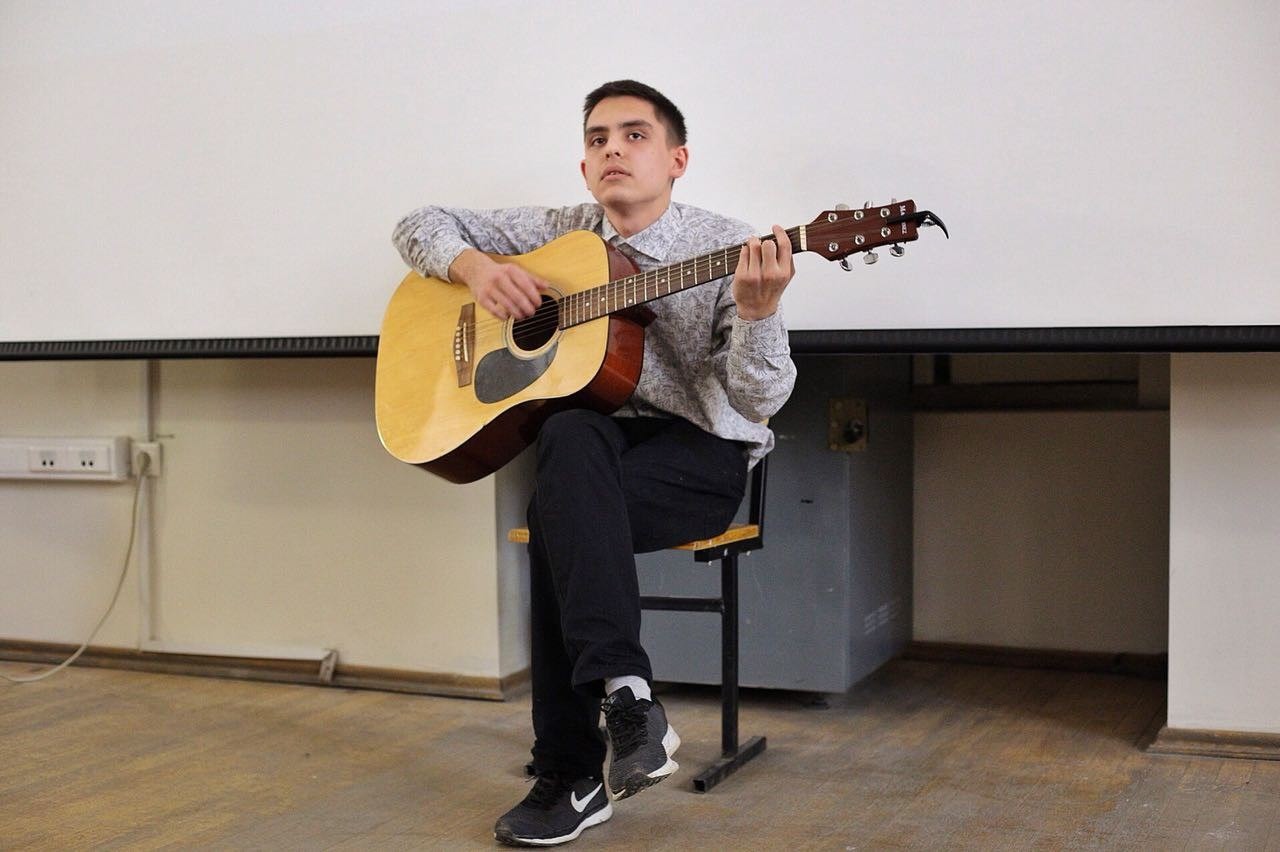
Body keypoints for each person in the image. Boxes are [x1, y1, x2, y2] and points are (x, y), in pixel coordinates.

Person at [393, 79, 797, 846]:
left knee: (559, 514)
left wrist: (759, 313)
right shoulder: (563, 233)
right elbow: (418, 224)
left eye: (635, 135)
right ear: (584, 168)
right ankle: (630, 696)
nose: (613, 149)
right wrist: (476, 270)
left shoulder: (728, 247)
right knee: (571, 440)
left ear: (676, 160)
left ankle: (570, 774)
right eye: (597, 139)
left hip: (698, 457)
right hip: (594, 451)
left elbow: (760, 398)